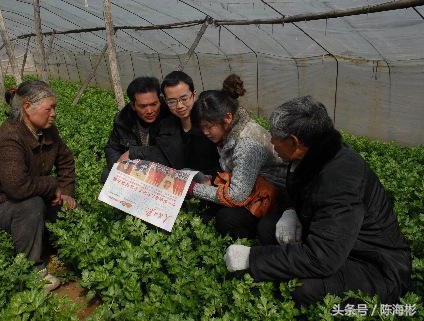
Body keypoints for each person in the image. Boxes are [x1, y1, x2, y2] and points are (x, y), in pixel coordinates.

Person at [223, 96, 412, 306]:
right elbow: (303, 195)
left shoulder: (341, 182)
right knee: (269, 228)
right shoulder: (314, 154)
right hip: (340, 242)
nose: (271, 141)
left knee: (304, 290)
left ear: (294, 142)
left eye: (275, 136)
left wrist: (252, 258)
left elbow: (322, 258)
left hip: (375, 264)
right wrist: (291, 212)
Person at [0, 80, 76, 292]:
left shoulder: (47, 130)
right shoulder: (10, 138)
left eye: (55, 107)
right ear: (27, 107)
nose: (54, 113)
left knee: (69, 209)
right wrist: (52, 184)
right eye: (49, 108)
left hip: (25, 195)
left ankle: (56, 246)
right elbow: (17, 187)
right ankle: (33, 271)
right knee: (31, 205)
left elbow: (66, 161)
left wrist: (67, 192)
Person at [187, 75, 287, 239]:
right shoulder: (229, 130)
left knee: (226, 219)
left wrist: (193, 189)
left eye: (209, 127)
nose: (205, 132)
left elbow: (237, 195)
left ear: (227, 118)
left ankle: (251, 240)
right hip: (252, 185)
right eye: (202, 127)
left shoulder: (246, 144)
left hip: (272, 196)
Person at [102, 77, 184, 183]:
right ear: (133, 105)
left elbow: (170, 153)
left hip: (163, 170)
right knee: (107, 175)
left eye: (154, 104)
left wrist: (134, 152)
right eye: (143, 106)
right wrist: (118, 168)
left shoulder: (170, 116)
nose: (149, 111)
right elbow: (112, 147)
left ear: (160, 101)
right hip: (136, 170)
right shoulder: (123, 119)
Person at [161, 71, 220, 175]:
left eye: (184, 99)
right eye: (172, 101)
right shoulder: (164, 127)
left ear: (194, 95)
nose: (179, 106)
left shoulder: (210, 128)